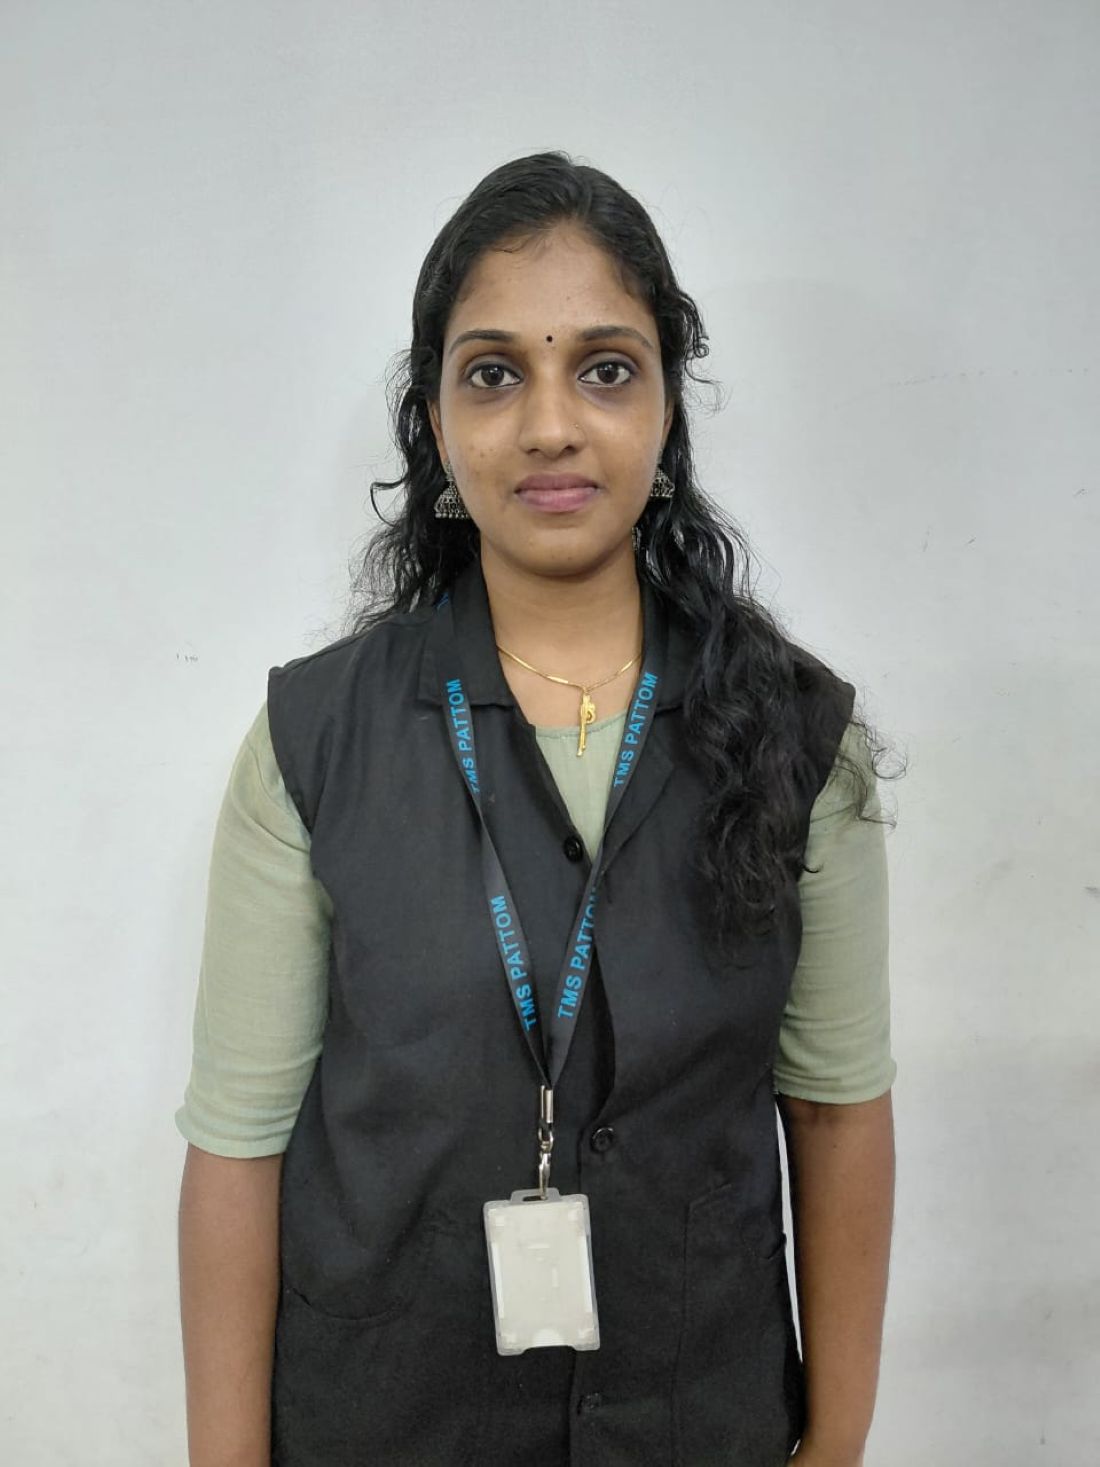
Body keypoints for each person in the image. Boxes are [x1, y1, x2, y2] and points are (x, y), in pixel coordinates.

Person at [177, 151, 898, 1467]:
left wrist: (836, 1446)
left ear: (669, 407)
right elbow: (237, 1150)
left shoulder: (805, 743)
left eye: (606, 369)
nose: (551, 425)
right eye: (494, 373)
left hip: (700, 1426)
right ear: (437, 421)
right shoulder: (314, 743)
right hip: (384, 1427)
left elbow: (839, 1114)